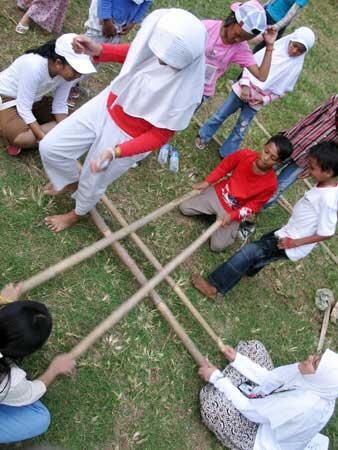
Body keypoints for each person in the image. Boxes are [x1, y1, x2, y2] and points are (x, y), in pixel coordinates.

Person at [39, 8, 206, 233]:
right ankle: (69, 181)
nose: (159, 61)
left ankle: (76, 213)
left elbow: (160, 135)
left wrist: (116, 151)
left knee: (94, 179)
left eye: (167, 62)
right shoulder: (157, 44)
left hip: (128, 136)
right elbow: (136, 53)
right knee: (52, 146)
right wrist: (99, 49)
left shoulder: (188, 92)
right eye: (159, 54)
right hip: (107, 104)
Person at [191, 141, 338, 298]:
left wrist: (293, 243)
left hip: (290, 242)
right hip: (287, 232)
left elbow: (327, 233)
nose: (308, 170)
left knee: (248, 252)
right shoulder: (324, 184)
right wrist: (315, 173)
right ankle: (251, 270)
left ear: (328, 172)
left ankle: (215, 286)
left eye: (312, 168)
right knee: (263, 251)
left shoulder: (329, 200)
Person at [196, 27, 315, 157]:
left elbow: (283, 91)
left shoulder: (294, 67)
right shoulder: (272, 51)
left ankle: (226, 153)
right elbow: (249, 64)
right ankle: (204, 135)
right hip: (241, 90)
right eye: (294, 46)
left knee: (241, 127)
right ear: (289, 41)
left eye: (300, 50)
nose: (295, 51)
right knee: (221, 114)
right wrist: (245, 85)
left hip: (256, 101)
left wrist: (264, 99)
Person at [199, 340, 337, 450]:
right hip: (268, 405)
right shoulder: (320, 385)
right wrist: (238, 360)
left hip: (259, 436)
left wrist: (218, 379)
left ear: (322, 377)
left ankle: (226, 379)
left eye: (315, 363)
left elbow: (251, 411)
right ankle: (233, 378)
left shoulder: (303, 404)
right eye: (317, 357)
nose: (310, 357)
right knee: (254, 348)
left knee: (214, 405)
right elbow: (272, 379)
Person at [180, 135, 293, 252]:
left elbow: (253, 206)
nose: (265, 158)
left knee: (217, 246)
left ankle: (233, 228)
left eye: (272, 158)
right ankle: (211, 211)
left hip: (233, 211)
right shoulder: (245, 154)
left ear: (278, 162)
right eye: (266, 151)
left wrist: (233, 216)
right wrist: (207, 182)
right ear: (264, 146)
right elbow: (224, 167)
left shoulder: (271, 184)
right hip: (219, 194)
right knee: (184, 208)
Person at [0, 283, 75, 444]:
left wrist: (3, 300)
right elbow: (31, 393)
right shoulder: (10, 381)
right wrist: (54, 369)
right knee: (40, 417)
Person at [0, 34, 96, 156]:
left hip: (34, 101)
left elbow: (60, 105)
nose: (79, 76)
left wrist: (65, 131)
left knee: (76, 124)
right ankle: (18, 133)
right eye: (76, 71)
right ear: (58, 63)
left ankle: (31, 131)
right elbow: (24, 108)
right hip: (8, 98)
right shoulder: (34, 65)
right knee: (22, 138)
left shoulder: (67, 75)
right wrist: (46, 141)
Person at [69, 0, 153, 104]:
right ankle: (66, 86)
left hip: (121, 22)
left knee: (97, 57)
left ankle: (75, 83)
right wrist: (106, 19)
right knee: (85, 54)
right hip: (103, 19)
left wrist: (133, 22)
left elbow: (147, 2)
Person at [265, 94, 338, 207]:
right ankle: (239, 193)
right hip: (294, 143)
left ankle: (252, 213)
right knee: (266, 167)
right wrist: (289, 134)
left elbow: (334, 153)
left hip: (307, 161)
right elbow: (310, 117)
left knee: (279, 187)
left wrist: (313, 168)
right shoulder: (335, 100)